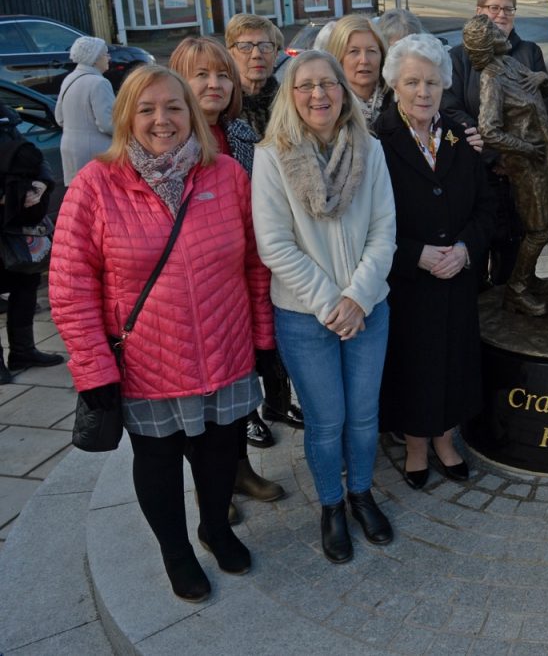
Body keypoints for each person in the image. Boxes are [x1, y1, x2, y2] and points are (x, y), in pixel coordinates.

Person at [50, 65, 273, 602]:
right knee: (159, 461)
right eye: (146, 109)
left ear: (191, 113)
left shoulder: (224, 175)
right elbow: (70, 283)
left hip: (225, 350)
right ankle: (176, 551)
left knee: (222, 451)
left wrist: (264, 340)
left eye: (173, 107)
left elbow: (255, 265)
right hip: (148, 361)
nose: (162, 120)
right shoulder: (97, 185)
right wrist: (92, 368)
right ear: (126, 117)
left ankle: (215, 529)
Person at [252, 50, 396, 564]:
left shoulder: (370, 149)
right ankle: (331, 507)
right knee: (325, 419)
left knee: (362, 416)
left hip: (368, 309)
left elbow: (384, 230)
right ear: (291, 96)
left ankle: (360, 493)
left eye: (328, 84)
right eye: (306, 85)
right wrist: (330, 302)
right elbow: (274, 244)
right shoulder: (271, 157)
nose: (319, 95)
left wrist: (357, 296)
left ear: (343, 91)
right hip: (303, 316)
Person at [169, 37, 296, 507]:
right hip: (190, 294)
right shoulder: (167, 142)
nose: (214, 84)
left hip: (241, 286)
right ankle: (211, 491)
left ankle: (239, 471)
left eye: (222, 75)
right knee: (196, 405)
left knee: (238, 393)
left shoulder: (240, 135)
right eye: (201, 75)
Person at [375, 34, 495, 488]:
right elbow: (367, 224)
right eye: (412, 82)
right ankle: (416, 445)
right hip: (408, 281)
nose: (423, 92)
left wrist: (465, 249)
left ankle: (446, 438)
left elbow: (487, 208)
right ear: (395, 86)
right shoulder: (377, 144)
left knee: (454, 360)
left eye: (431, 82)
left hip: (456, 276)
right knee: (413, 363)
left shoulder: (460, 140)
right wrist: (414, 255)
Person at [443, 0, 548, 286]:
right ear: (479, 12)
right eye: (494, 7)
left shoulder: (528, 53)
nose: (501, 14)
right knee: (476, 249)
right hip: (479, 167)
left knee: (515, 244)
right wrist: (495, 153)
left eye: (508, 9)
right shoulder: (459, 57)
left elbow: (545, 106)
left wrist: (518, 151)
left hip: (519, 171)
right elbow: (451, 109)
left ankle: (512, 305)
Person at [469, 15, 548, 316]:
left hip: (542, 157)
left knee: (546, 221)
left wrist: (542, 79)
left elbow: (543, 88)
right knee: (540, 228)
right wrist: (524, 149)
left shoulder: (510, 64)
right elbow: (488, 130)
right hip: (526, 163)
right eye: (495, 31)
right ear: (488, 42)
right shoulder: (492, 78)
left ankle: (529, 276)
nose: (502, 32)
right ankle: (517, 289)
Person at [0, 105, 64, 384]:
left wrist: (41, 184)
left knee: (25, 283)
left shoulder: (4, 117)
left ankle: (23, 351)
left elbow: (32, 155)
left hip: (16, 221)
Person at [54, 35, 115, 182]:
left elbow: (59, 118)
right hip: (95, 152)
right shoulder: (100, 83)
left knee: (78, 196)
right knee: (99, 198)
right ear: (94, 58)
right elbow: (107, 124)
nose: (109, 58)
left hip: (69, 149)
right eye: (105, 54)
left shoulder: (69, 78)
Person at [323, 16, 391, 126]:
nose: (364, 60)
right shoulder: (325, 107)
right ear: (338, 57)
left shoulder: (399, 101)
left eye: (371, 51)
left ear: (382, 55)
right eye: (354, 51)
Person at [225, 13, 283, 139]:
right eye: (246, 47)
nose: (257, 54)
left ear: (275, 53)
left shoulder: (288, 101)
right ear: (230, 54)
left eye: (265, 46)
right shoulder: (223, 105)